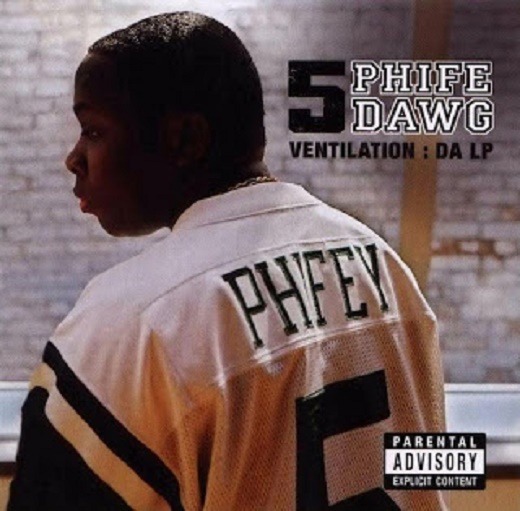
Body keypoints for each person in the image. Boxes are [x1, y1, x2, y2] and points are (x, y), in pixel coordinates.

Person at [8, 11, 448, 511]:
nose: (74, 158)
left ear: (184, 140)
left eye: (92, 130)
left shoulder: (133, 320)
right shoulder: (384, 264)